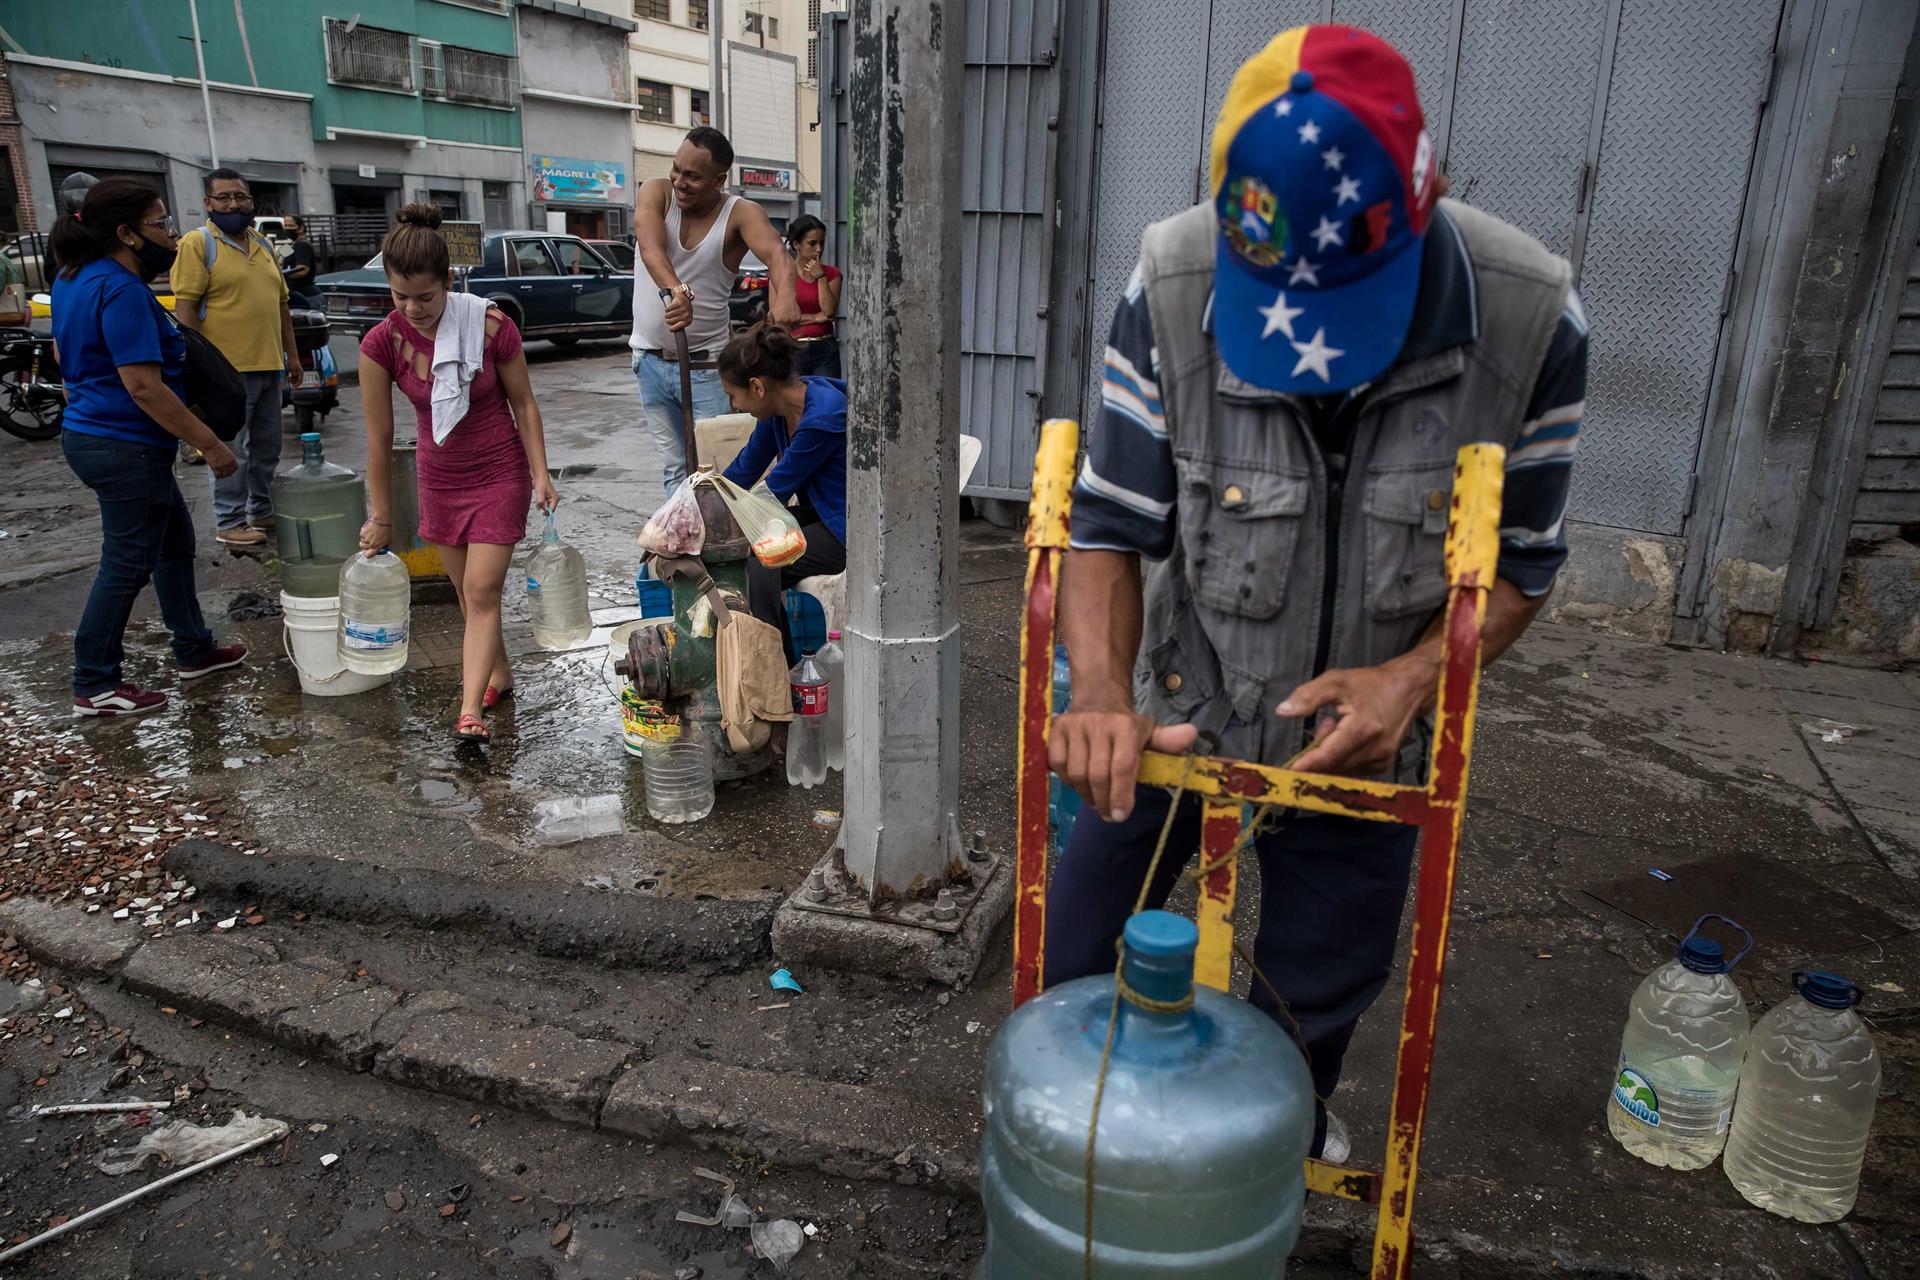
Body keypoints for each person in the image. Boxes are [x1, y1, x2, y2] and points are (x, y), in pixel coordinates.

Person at [1046, 26, 1589, 1163]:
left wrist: (1410, 679)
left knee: (1315, 997)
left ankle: (1265, 1155)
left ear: (1424, 200)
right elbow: (1106, 524)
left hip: (1368, 744)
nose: (1321, 362)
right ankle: (1096, 1156)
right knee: (1077, 954)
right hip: (1183, 701)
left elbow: (1524, 568)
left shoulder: (1535, 319)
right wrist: (1097, 686)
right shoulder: (1174, 279)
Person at [357, 204, 560, 744]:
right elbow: (377, 440)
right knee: (468, 596)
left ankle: (469, 711)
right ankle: (500, 676)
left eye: (425, 296)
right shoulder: (382, 343)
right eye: (400, 296)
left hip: (499, 471)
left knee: (482, 588)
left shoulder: (491, 325)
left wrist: (540, 472)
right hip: (439, 478)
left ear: (448, 281)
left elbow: (525, 404)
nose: (413, 308)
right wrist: (380, 516)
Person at [48, 177, 247, 717]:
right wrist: (211, 445)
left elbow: (69, 363)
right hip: (122, 446)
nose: (171, 233)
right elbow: (143, 386)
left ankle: (195, 649)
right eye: (160, 223)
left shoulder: (73, 277)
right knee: (128, 562)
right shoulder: (121, 290)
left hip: (101, 436)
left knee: (173, 546)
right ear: (126, 233)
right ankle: (94, 682)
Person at [632, 126, 798, 495]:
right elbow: (651, 249)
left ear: (718, 180)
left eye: (692, 176)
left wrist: (786, 294)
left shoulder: (740, 213)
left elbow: (776, 256)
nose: (679, 181)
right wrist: (676, 291)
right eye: (676, 169)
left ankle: (722, 548)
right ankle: (682, 545)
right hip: (650, 361)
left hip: (706, 367)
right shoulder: (656, 192)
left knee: (716, 470)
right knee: (676, 468)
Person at [171, 167, 302, 548]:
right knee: (231, 451)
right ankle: (229, 520)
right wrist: (196, 364)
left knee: (267, 448)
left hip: (268, 365)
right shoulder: (198, 244)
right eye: (225, 197)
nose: (234, 204)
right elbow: (187, 310)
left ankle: (260, 510)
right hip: (225, 372)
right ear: (208, 203)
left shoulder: (263, 245)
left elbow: (281, 306)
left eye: (240, 197)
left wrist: (292, 356)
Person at [717, 324, 846, 661]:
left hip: (850, 529)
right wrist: (693, 506)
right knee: (747, 549)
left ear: (757, 387)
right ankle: (768, 656)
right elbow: (743, 470)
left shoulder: (821, 419)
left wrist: (715, 522)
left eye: (733, 395)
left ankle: (775, 664)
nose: (734, 405)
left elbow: (772, 492)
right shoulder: (780, 411)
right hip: (824, 514)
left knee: (762, 559)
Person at [785, 215, 842, 379]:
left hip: (824, 347)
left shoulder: (832, 274)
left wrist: (820, 277)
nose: (819, 249)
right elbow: (781, 318)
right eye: (812, 243)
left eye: (822, 243)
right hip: (793, 347)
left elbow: (829, 312)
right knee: (796, 401)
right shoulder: (785, 275)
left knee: (827, 399)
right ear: (797, 244)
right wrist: (817, 318)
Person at [282, 216, 321, 311]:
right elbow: (278, 258)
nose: (287, 229)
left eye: (291, 226)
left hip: (304, 295)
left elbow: (303, 270)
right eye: (285, 226)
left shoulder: (302, 245)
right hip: (294, 294)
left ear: (301, 228)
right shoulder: (292, 245)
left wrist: (284, 276)